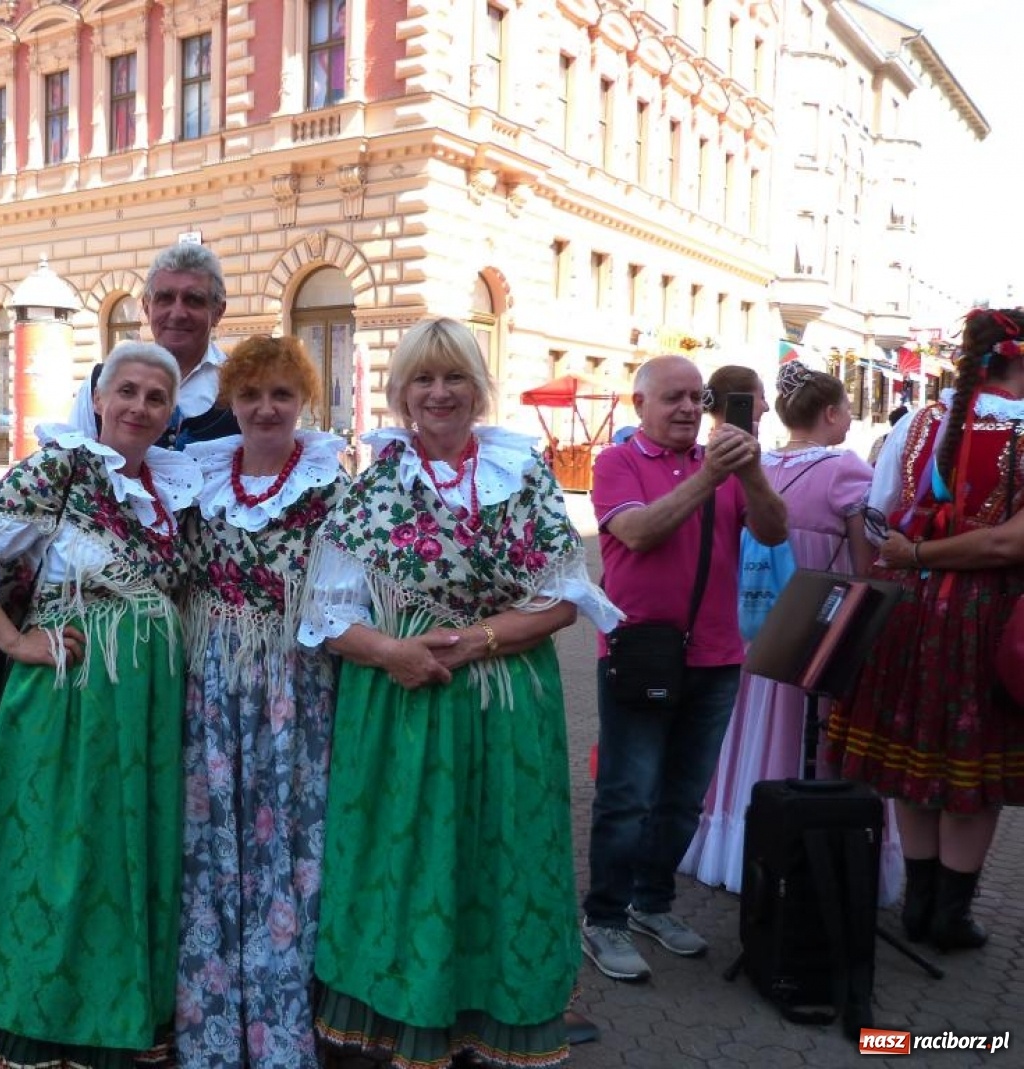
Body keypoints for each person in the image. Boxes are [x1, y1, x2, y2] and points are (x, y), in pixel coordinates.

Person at [297, 318, 619, 1068]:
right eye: (423, 379)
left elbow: (564, 599)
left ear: (479, 389)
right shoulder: (375, 485)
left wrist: (473, 641)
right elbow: (325, 616)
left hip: (505, 697)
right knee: (403, 853)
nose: (439, 393)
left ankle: (490, 1012)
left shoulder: (523, 474)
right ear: (400, 392)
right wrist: (392, 652)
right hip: (400, 703)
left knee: (498, 848)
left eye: (454, 378)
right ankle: (404, 1007)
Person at [0, 340, 203, 1069]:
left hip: (148, 701)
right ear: (99, 399)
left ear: (170, 413)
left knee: (125, 851)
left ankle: (120, 1017)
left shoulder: (173, 487)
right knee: (58, 853)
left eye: (155, 397)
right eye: (125, 391)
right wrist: (12, 639)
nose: (138, 407)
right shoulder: (62, 467)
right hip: (74, 696)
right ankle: (38, 1020)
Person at [580, 355, 787, 983]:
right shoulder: (617, 463)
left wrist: (751, 476)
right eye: (673, 397)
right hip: (640, 651)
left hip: (717, 657)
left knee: (683, 800)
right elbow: (639, 533)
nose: (688, 409)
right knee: (627, 796)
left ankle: (653, 904)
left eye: (698, 397)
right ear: (639, 403)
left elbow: (774, 533)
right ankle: (604, 918)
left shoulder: (727, 465)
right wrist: (708, 480)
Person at [824, 306, 1024, 953]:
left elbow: (881, 519)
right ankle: (950, 914)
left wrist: (915, 557)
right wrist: (932, 553)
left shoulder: (917, 423)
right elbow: (1005, 547)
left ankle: (919, 903)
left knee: (914, 751)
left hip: (910, 611)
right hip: (985, 614)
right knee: (971, 765)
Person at [175, 337, 346, 1069]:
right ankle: (216, 1016)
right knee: (215, 841)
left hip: (296, 682)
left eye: (281, 394)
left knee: (290, 840)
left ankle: (286, 1019)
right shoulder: (203, 479)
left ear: (301, 400)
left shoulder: (333, 485)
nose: (267, 408)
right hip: (217, 678)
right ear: (232, 402)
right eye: (252, 395)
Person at [678, 365, 903, 900]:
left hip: (752, 619)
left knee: (742, 727)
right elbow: (865, 560)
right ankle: (808, 849)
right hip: (814, 622)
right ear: (828, 413)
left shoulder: (756, 463)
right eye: (847, 409)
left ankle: (732, 841)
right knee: (805, 733)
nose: (849, 419)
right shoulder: (845, 469)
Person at [69, 242, 240, 448]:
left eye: (193, 300)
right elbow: (71, 467)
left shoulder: (242, 384)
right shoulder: (101, 382)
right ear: (146, 308)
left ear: (218, 312)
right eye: (165, 298)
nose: (177, 314)